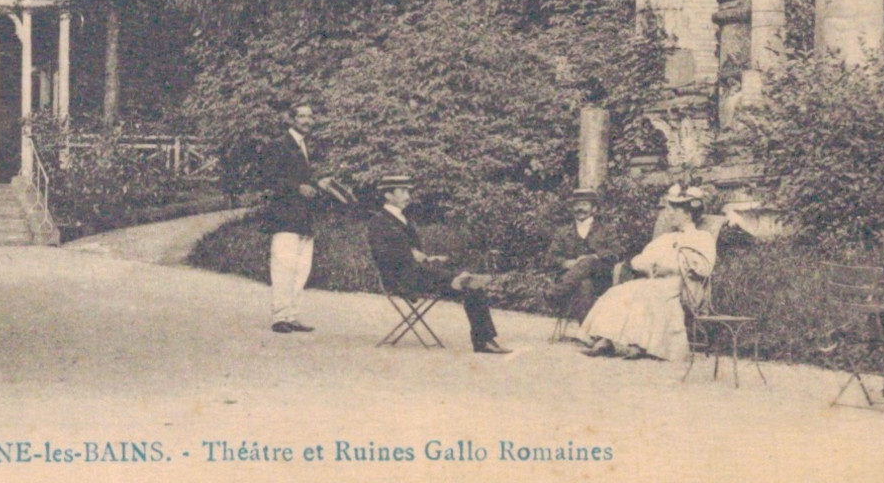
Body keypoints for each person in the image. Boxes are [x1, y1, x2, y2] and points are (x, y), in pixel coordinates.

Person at [366, 174, 511, 353]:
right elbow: (383, 256)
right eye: (403, 191)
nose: (408, 196)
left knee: (471, 283)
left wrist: (427, 258)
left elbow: (414, 251)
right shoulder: (379, 222)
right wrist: (412, 256)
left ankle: (484, 339)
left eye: (408, 191)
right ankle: (459, 284)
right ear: (388, 195)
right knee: (466, 282)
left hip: (418, 272)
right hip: (400, 279)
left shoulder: (403, 219)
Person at [579, 185, 715, 361]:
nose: (670, 214)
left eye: (676, 210)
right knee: (620, 291)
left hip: (683, 284)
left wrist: (674, 267)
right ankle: (606, 340)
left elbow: (705, 267)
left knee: (646, 294)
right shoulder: (666, 238)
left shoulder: (702, 237)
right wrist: (650, 266)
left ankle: (638, 344)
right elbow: (639, 259)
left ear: (688, 214)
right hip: (656, 280)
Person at [259, 103, 352, 334]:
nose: (307, 121)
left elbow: (301, 181)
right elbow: (268, 178)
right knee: (284, 267)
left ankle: (292, 315)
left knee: (301, 269)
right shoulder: (279, 146)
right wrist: (298, 187)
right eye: (302, 116)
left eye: (310, 116)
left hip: (304, 218)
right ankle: (280, 316)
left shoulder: (304, 147)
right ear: (290, 119)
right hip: (285, 218)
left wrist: (316, 184)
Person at [546, 188, 623, 324]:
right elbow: (551, 257)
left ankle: (555, 292)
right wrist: (566, 263)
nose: (580, 208)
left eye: (584, 204)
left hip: (600, 278)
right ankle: (586, 331)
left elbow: (617, 251)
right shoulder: (562, 232)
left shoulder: (607, 229)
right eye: (577, 205)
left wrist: (594, 256)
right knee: (585, 284)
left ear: (594, 209)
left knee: (588, 262)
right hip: (573, 277)